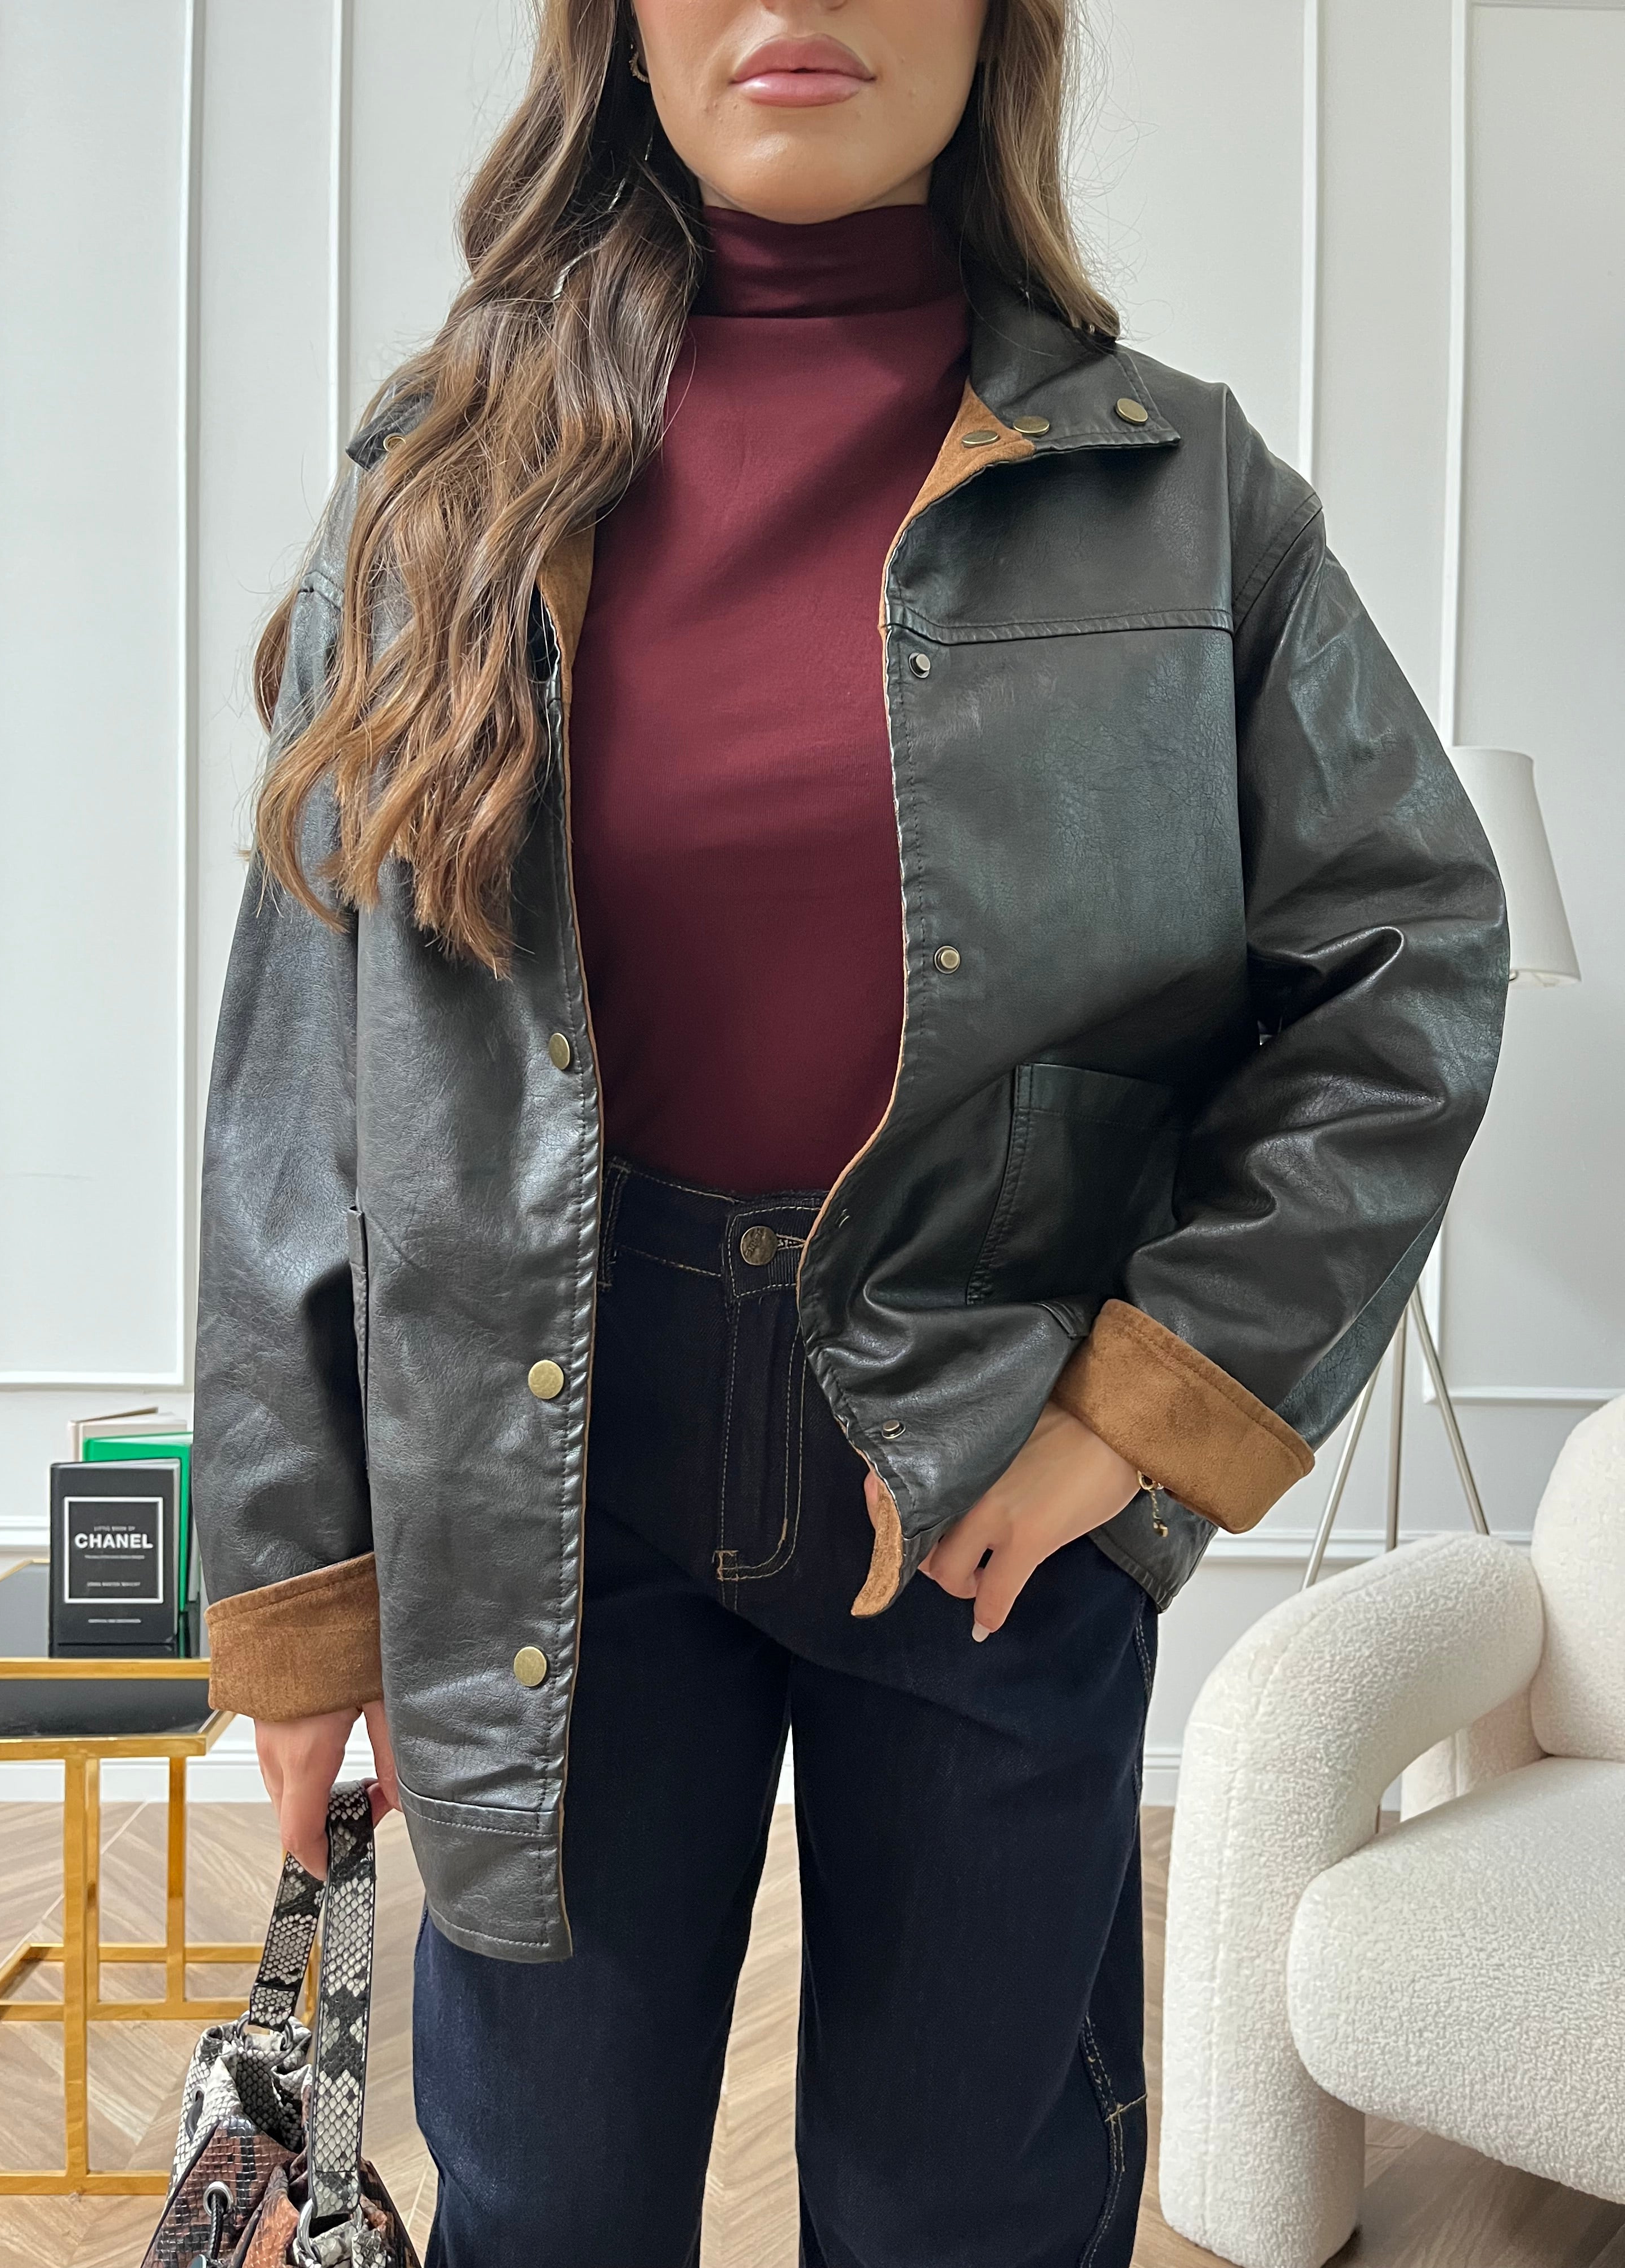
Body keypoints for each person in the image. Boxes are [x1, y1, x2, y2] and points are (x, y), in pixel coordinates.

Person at [190, 2, 1509, 2261]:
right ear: (618, 31)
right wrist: (302, 1598)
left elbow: (1412, 966)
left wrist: (1142, 1407)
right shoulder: (436, 489)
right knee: (547, 2197)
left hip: (991, 1456)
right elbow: (305, 1077)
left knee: (965, 2205)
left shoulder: (1185, 494)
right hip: (546, 1484)